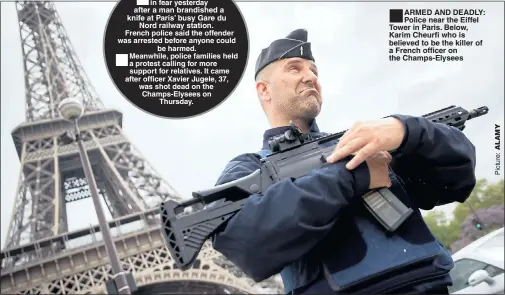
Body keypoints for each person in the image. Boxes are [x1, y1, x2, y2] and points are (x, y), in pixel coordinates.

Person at [209, 29, 477, 294]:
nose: (310, 77)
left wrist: (406, 131)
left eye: (314, 70)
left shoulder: (367, 140)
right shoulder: (249, 168)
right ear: (264, 90)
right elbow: (244, 243)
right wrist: (349, 175)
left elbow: (458, 178)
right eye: (294, 69)